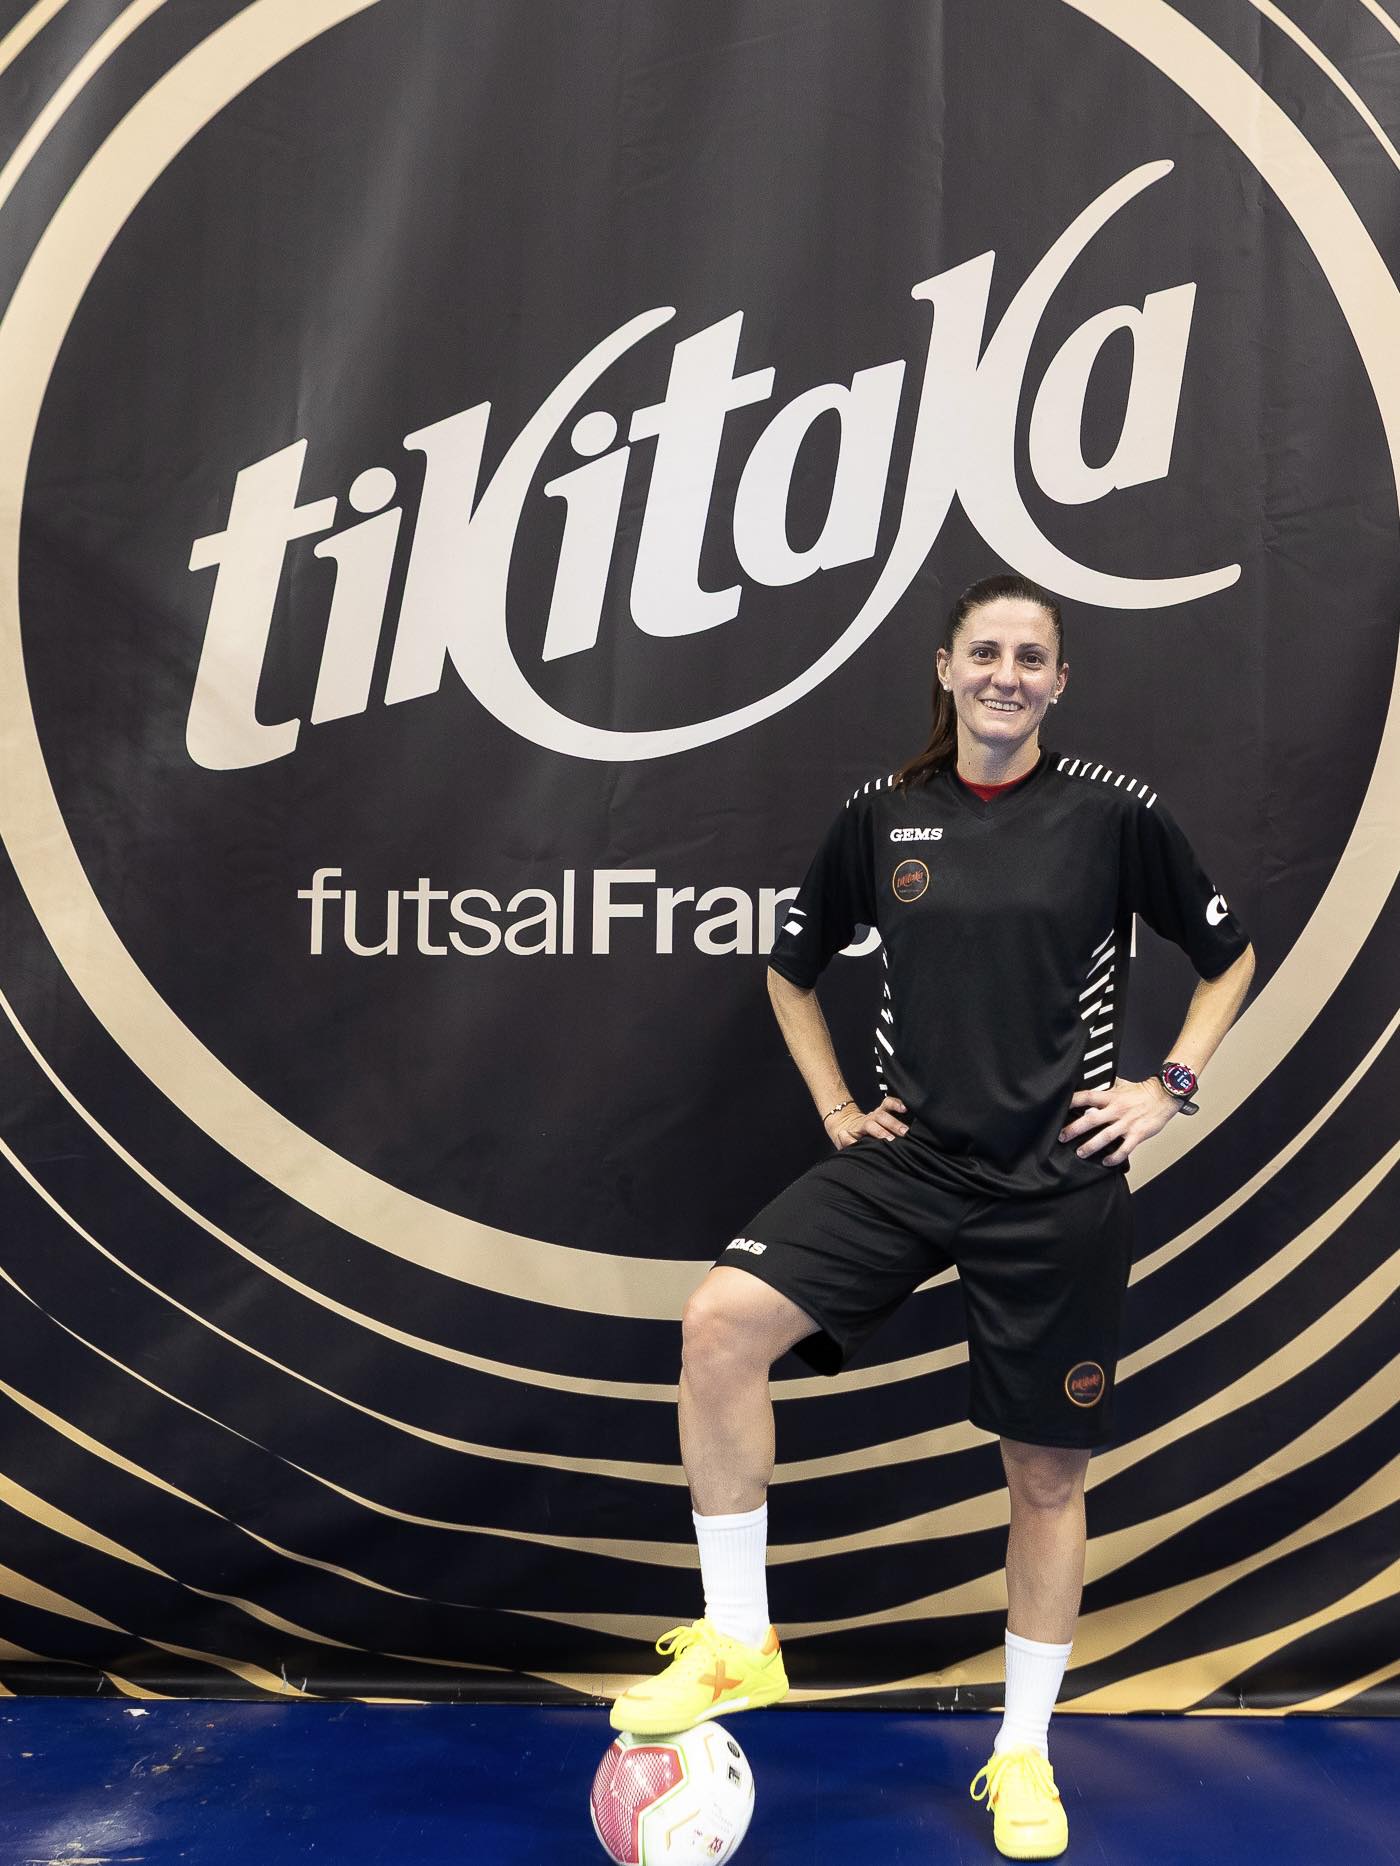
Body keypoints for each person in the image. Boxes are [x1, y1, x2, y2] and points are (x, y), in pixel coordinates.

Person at [609, 572, 1255, 1860]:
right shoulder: (881, 816)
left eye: (1032, 657)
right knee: (720, 1325)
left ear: (1059, 683)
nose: (1007, 674)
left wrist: (1169, 1087)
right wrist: (840, 1109)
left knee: (1045, 1476)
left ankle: (1023, 1752)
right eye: (985, 652)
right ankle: (737, 1641)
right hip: (910, 1166)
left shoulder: (1113, 814)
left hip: (1058, 1182)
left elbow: (1227, 958)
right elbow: (792, 973)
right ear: (947, 671)